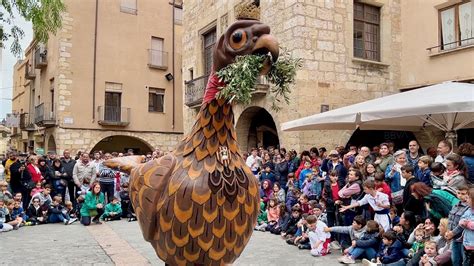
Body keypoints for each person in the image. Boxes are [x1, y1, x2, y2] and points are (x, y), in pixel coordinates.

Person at [446, 185, 470, 265]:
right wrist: (448, 231)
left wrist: (452, 233)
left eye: (463, 194)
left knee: (465, 261)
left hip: (463, 239)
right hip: (454, 238)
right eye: (458, 193)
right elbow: (450, 219)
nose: (460, 195)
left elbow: (463, 224)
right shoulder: (456, 205)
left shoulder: (469, 207)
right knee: (455, 260)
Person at [459, 187, 474, 265]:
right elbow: (462, 218)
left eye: (468, 198)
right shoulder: (468, 210)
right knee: (465, 262)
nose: (466, 200)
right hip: (467, 244)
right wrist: (462, 222)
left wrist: (468, 224)